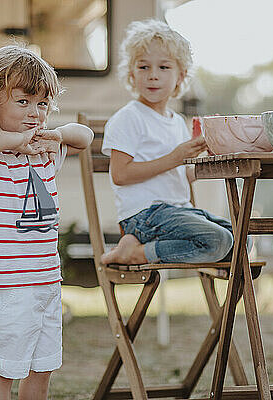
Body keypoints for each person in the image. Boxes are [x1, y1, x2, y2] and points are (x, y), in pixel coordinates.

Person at [0, 45, 93, 400]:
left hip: (47, 279)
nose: (35, 114)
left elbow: (86, 136)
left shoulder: (46, 148)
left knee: (42, 366)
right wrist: (19, 141)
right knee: (4, 367)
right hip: (9, 284)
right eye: (23, 102)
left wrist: (54, 135)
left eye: (42, 104)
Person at [100, 19, 237, 266]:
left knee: (242, 242)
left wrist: (211, 156)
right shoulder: (128, 118)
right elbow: (120, 175)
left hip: (178, 210)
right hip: (145, 215)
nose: (153, 76)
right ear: (131, 73)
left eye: (164, 67)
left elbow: (182, 174)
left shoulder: (176, 122)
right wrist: (174, 157)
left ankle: (137, 248)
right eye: (143, 67)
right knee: (218, 241)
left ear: (180, 76)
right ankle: (135, 253)